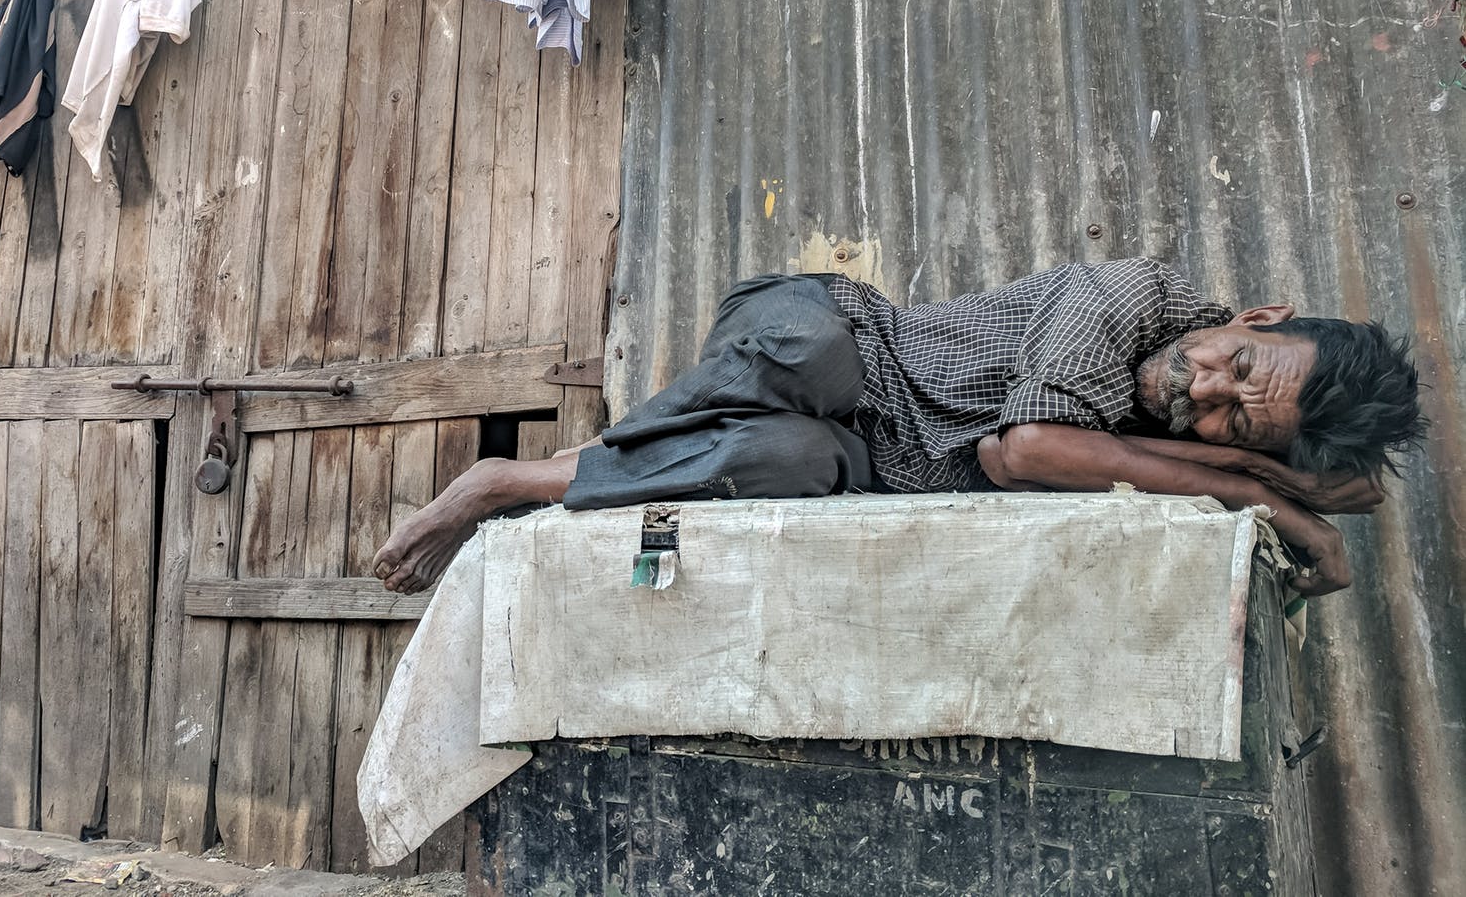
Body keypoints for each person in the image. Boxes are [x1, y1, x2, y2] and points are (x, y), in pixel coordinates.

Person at [373, 259, 1426, 598]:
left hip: (871, 459)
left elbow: (1357, 494)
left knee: (775, 461)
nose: (1197, 389)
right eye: (1230, 363)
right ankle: (491, 485)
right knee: (807, 359)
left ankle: (505, 482)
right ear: (1256, 318)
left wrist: (1258, 467)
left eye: (1227, 417)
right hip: (835, 330)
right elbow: (1022, 452)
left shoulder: (1191, 428)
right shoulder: (1133, 292)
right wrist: (1242, 480)